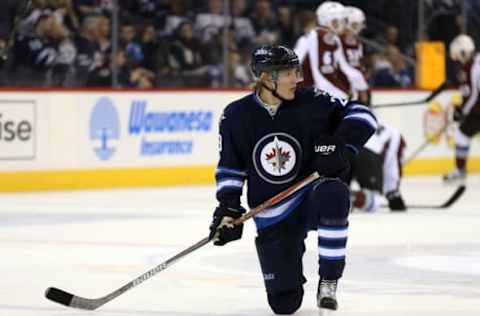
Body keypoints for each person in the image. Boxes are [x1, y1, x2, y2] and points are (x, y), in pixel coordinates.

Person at [208, 45, 376, 314]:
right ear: (265, 77)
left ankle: (329, 279)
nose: (296, 79)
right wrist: (228, 209)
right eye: (288, 73)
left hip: (308, 196)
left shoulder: (313, 102)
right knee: (284, 304)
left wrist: (340, 146)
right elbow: (230, 167)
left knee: (334, 191)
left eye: (296, 71)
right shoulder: (236, 116)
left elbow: (364, 115)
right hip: (271, 213)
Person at [340, 6, 407, 212]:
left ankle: (354, 194)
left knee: (391, 136)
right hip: (349, 129)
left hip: (346, 127)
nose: (358, 29)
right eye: (356, 25)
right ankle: (388, 192)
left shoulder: (350, 45)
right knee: (393, 137)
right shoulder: (338, 47)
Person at [294, 1, 368, 100]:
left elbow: (345, 67)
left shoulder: (335, 40)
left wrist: (362, 87)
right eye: (342, 20)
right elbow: (319, 76)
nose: (345, 24)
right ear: (331, 22)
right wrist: (342, 96)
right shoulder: (312, 38)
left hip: (320, 95)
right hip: (303, 95)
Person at [443, 34, 480, 184]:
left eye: (459, 56)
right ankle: (460, 170)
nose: (458, 59)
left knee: (461, 134)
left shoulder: (476, 66)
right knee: (462, 133)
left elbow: (473, 95)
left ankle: (460, 171)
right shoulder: (472, 64)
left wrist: (462, 111)